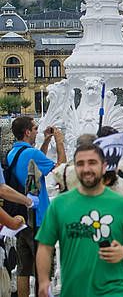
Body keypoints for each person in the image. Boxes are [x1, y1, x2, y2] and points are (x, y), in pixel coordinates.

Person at [35, 143, 123, 297]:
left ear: (104, 166)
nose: (86, 169)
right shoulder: (59, 205)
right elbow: (45, 246)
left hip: (114, 291)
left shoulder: (122, 204)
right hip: (73, 291)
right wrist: (43, 281)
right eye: (80, 164)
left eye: (92, 163)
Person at [7, 117, 65, 297]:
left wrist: (46, 141)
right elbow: (61, 169)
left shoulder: (13, 153)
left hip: (21, 217)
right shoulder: (31, 154)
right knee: (44, 268)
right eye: (35, 128)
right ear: (27, 132)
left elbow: (36, 165)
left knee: (23, 268)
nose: (37, 131)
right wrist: (59, 142)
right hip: (38, 218)